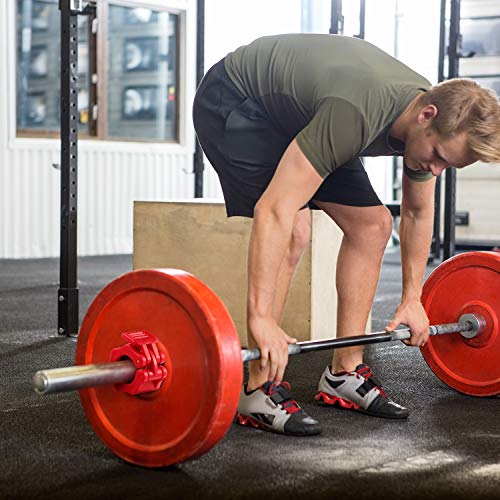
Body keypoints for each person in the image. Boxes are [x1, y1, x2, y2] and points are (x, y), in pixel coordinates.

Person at [192, 34, 500, 436]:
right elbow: (275, 210)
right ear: (426, 115)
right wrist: (260, 320)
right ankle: (257, 388)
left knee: (373, 225)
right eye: (439, 157)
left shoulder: (428, 125)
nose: (436, 170)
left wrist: (412, 298)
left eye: (448, 166)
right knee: (294, 227)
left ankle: (344, 373)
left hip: (302, 115)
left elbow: (417, 210)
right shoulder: (356, 111)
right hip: (239, 101)